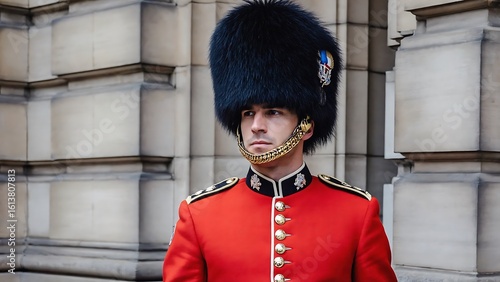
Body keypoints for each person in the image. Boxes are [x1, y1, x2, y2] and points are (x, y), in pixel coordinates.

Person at [163, 0, 398, 281]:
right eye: (248, 113)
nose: (256, 126)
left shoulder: (357, 212)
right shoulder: (198, 215)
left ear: (306, 124)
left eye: (273, 112)